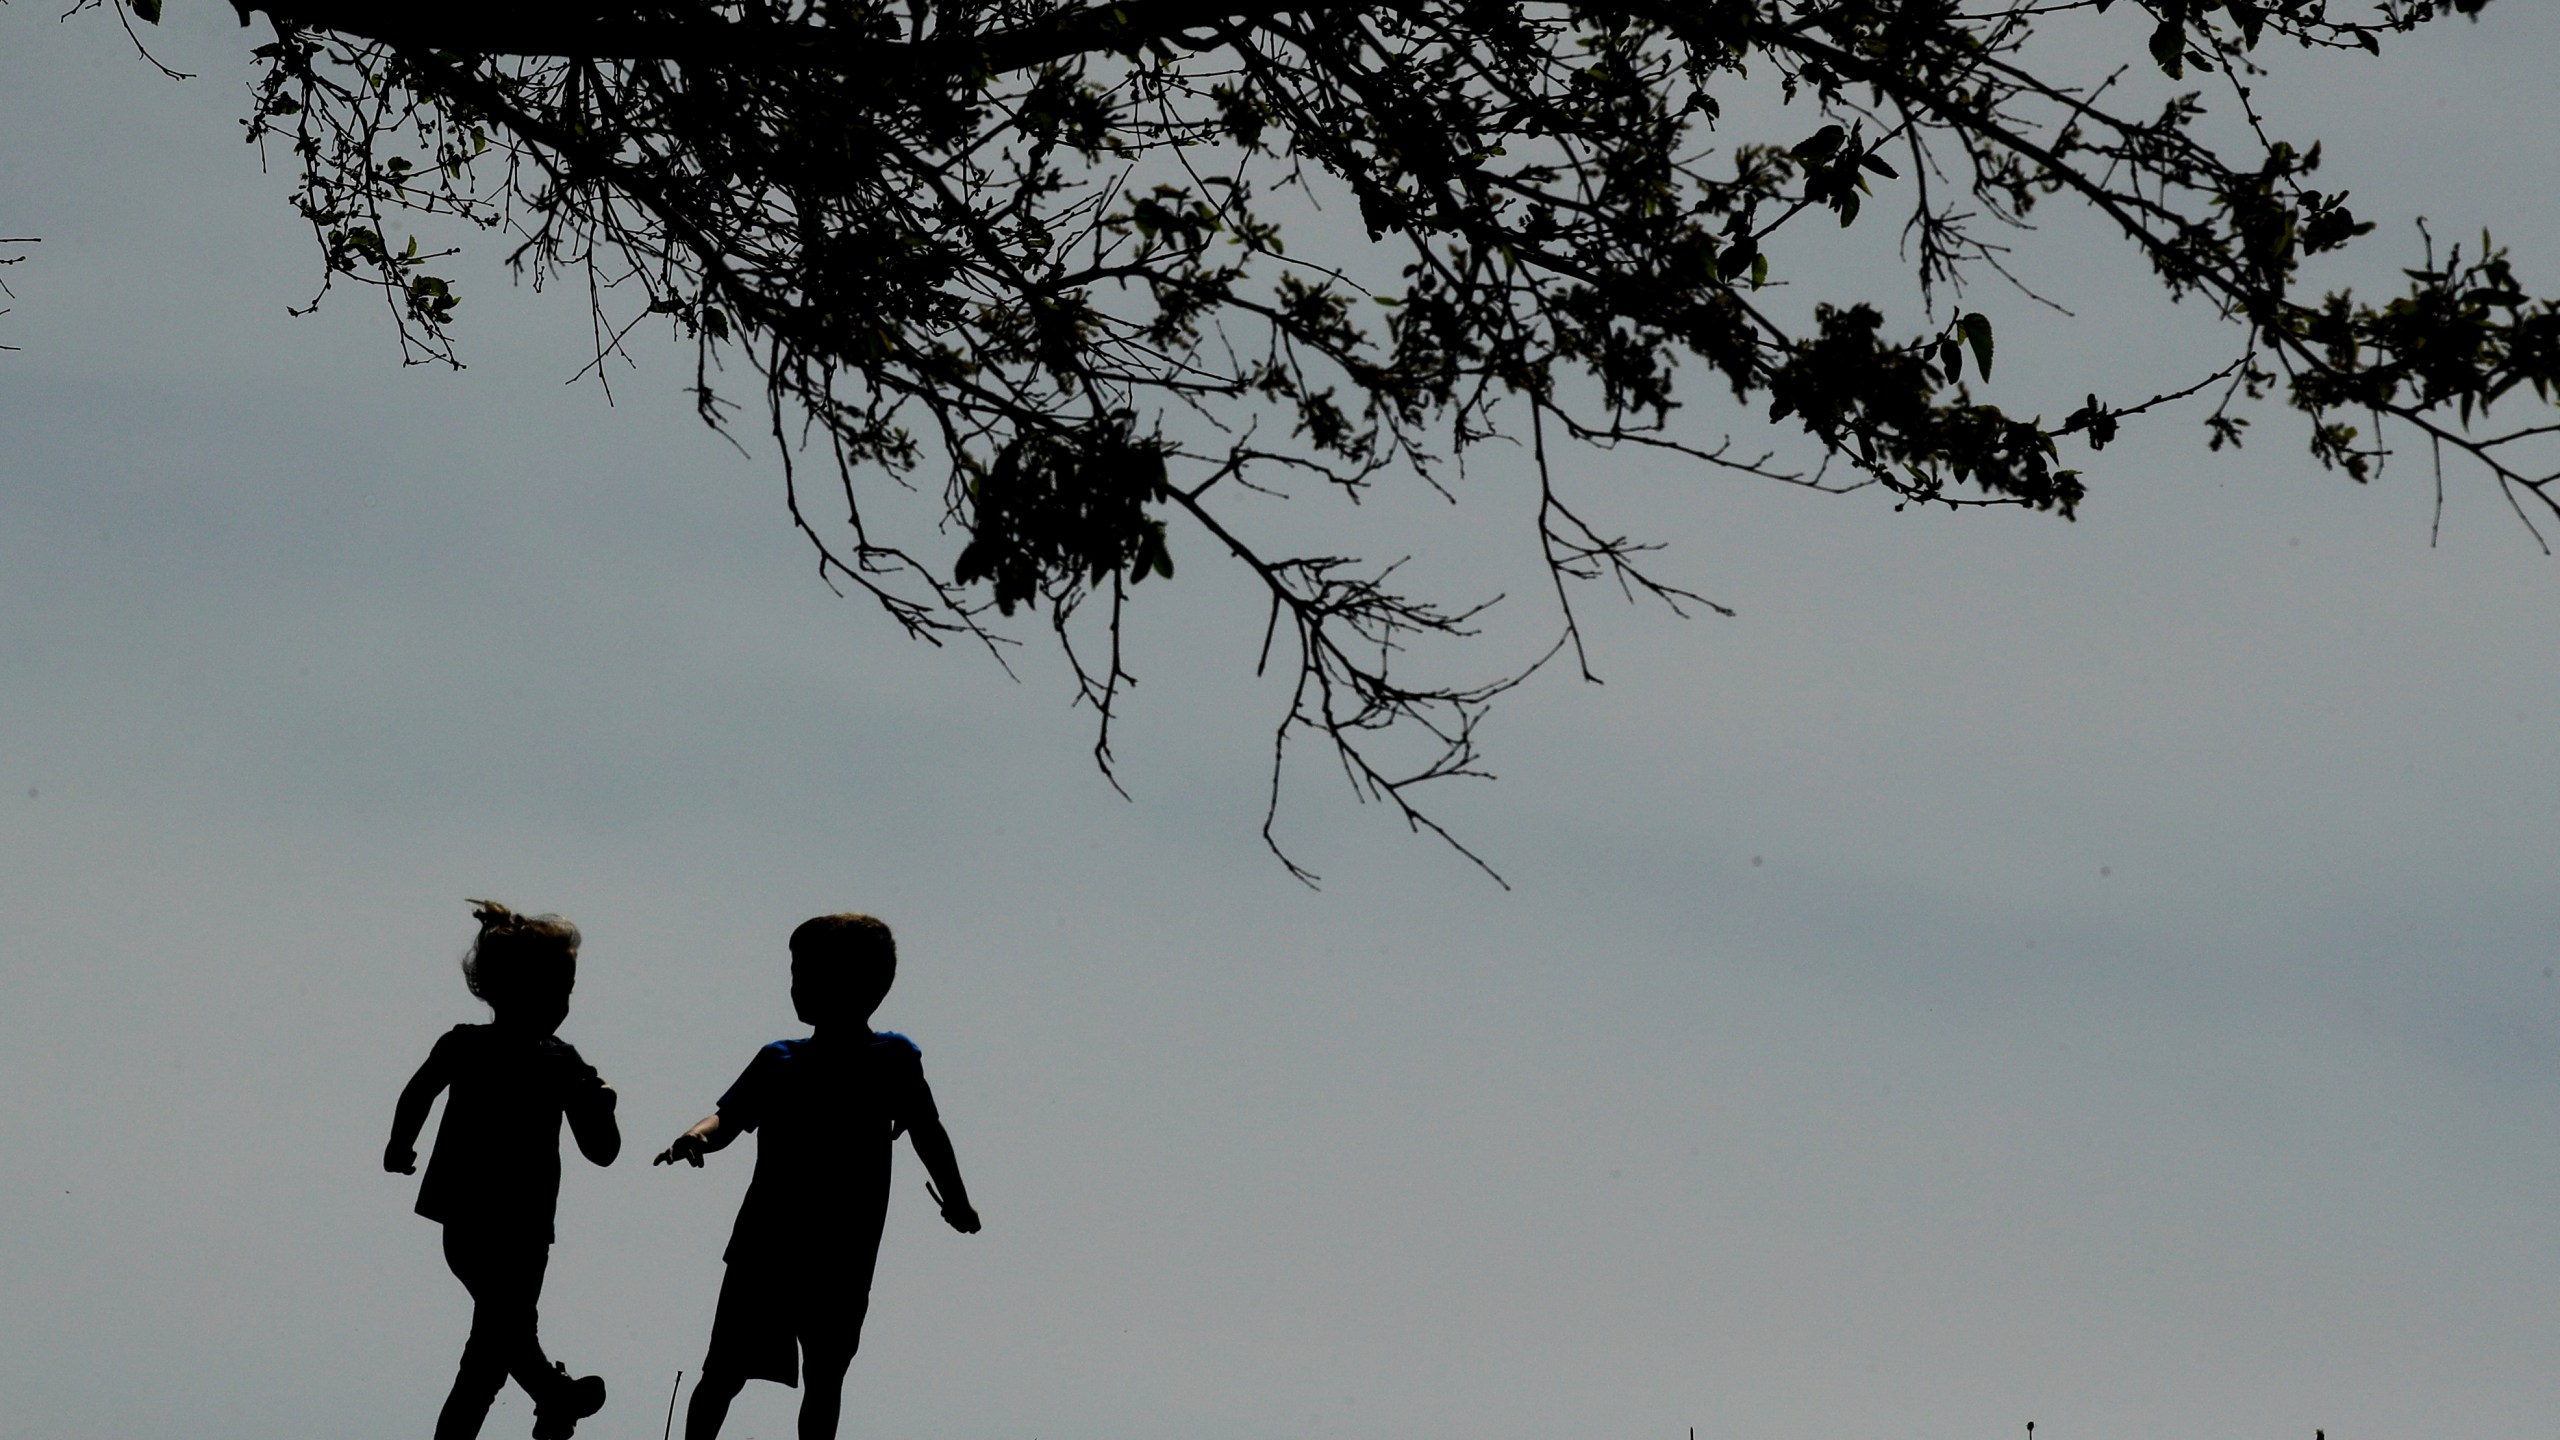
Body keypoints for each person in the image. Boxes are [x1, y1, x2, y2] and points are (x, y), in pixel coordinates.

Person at [655, 913, 981, 1440]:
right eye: (795, 973)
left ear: (861, 985)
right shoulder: (778, 1060)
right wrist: (696, 1137)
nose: (797, 985)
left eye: (807, 973)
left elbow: (927, 1131)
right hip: (765, 1244)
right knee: (722, 1372)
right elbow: (730, 1118)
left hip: (843, 1252)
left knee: (825, 1377)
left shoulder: (893, 1058)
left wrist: (957, 1199)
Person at [386, 901, 620, 1440]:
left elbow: (601, 1150)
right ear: (503, 988)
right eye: (553, 990)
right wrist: (400, 1144)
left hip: (525, 1228)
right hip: (470, 1219)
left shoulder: (564, 1063)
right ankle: (552, 1395)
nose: (561, 1003)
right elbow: (419, 1091)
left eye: (567, 992)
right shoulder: (466, 1046)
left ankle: (546, 1404)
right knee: (506, 1329)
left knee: (491, 1350)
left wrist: (602, 1107)